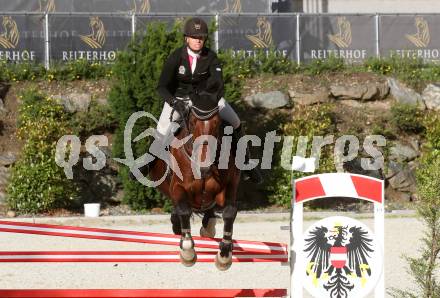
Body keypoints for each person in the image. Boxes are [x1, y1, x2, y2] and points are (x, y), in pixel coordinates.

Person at [149, 17, 262, 184]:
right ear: (186, 38)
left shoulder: (211, 57)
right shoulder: (176, 57)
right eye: (194, 37)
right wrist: (173, 102)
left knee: (236, 121)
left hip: (207, 100)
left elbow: (218, 83)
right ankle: (148, 163)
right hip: (179, 100)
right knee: (162, 129)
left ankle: (246, 162)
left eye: (201, 38)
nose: (198, 41)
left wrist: (209, 99)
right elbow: (162, 87)